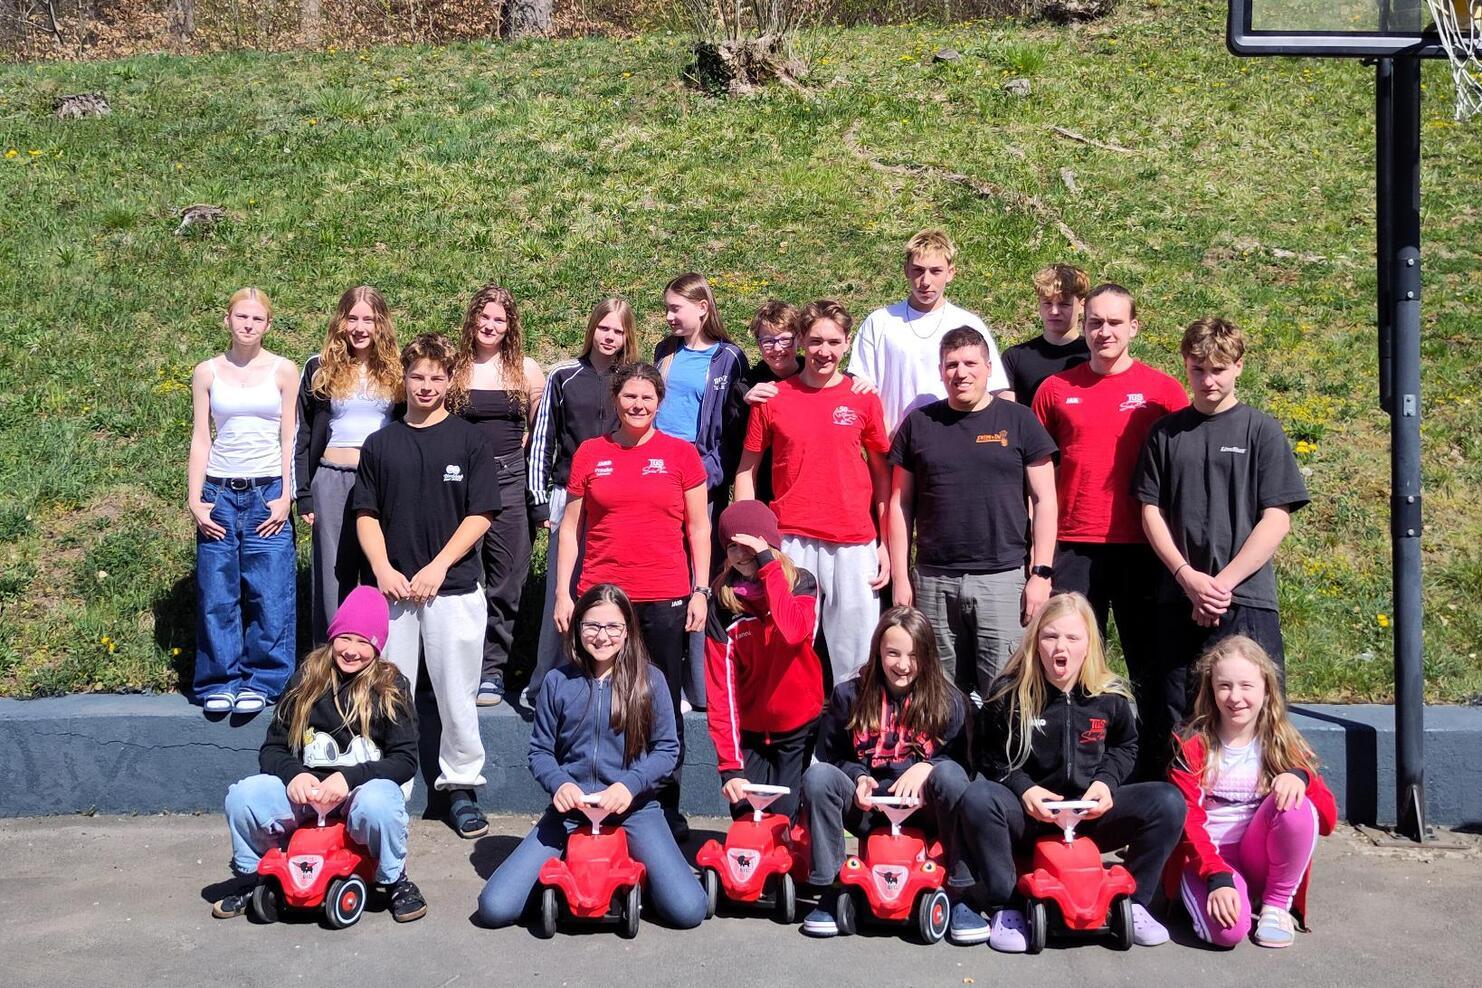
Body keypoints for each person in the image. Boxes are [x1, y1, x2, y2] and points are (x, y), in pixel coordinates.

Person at [956, 592, 1186, 952]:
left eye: (1072, 637)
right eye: (1050, 636)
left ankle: (1134, 901)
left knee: (1168, 801)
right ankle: (1005, 904)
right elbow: (987, 755)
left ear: (1088, 644)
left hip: (1088, 815)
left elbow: (1127, 746)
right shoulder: (1010, 692)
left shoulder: (1110, 695)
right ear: (1035, 641)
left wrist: (1105, 783)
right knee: (979, 798)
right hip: (1031, 815)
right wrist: (1023, 788)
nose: (1059, 646)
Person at [476, 584, 708, 932]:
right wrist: (560, 783)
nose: (602, 636)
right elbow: (540, 751)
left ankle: (632, 869)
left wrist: (629, 786)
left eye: (613, 626)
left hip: (633, 810)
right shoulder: (558, 682)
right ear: (577, 627)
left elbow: (666, 750)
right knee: (495, 908)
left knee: (689, 910)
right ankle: (570, 869)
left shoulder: (651, 681)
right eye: (592, 625)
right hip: (572, 812)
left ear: (627, 630)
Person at [1030, 283, 1188, 775]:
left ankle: (1153, 778)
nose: (1104, 332)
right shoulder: (1056, 390)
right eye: (1095, 321)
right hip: (1074, 547)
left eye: (1114, 322)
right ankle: (1071, 775)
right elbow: (1032, 478)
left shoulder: (1163, 392)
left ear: (1134, 327)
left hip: (1143, 549)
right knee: (1070, 667)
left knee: (1150, 669)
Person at [554, 363, 711, 838]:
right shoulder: (590, 453)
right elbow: (569, 529)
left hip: (665, 595)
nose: (638, 405)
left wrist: (700, 590)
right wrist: (564, 592)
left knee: (660, 702)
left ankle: (665, 803)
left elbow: (698, 527)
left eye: (647, 397)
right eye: (629, 397)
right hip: (602, 598)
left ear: (659, 401)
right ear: (615, 399)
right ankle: (588, 796)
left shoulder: (681, 455)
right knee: (594, 700)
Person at [352, 333, 500, 839]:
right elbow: (365, 514)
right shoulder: (381, 444)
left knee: (457, 695)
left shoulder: (468, 439)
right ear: (405, 377)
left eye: (438, 376)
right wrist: (382, 570)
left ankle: (459, 787)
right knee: (392, 695)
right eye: (418, 376)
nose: (427, 385)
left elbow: (480, 514)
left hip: (453, 589)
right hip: (393, 594)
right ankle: (391, 789)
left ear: (450, 380)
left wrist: (438, 565)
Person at [1135, 318, 1310, 746]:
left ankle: (1258, 806)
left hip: (1246, 600)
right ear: (1185, 365)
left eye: (1218, 369)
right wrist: (1187, 578)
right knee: (1178, 715)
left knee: (1254, 711)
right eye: (1198, 369)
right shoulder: (1166, 434)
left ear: (1238, 367)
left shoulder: (1261, 430)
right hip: (1178, 598)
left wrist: (1221, 585)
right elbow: (1149, 511)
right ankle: (1186, 809)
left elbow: (1277, 517)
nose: (1208, 380)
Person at [212, 586, 426, 923]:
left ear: (377, 647)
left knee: (381, 803)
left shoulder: (390, 686)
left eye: (364, 642)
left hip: (358, 791)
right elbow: (272, 748)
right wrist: (295, 774)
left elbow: (404, 760)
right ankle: (253, 875)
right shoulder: (306, 679)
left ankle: (394, 879)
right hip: (307, 793)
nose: (352, 651)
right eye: (346, 638)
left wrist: (349, 778)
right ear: (333, 636)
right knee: (243, 796)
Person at [888, 326, 1059, 697]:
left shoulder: (1019, 421)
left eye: (970, 363)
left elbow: (1045, 500)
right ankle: (945, 757)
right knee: (937, 691)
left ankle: (999, 758)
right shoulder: (919, 424)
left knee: (1005, 692)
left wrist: (1041, 574)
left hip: (1002, 578)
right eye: (951, 364)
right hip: (934, 579)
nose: (960, 373)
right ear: (940, 370)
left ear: (987, 368)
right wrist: (902, 577)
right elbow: (900, 503)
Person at [797, 607, 978, 943]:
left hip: (924, 811)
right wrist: (858, 777)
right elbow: (834, 755)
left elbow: (964, 767)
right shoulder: (849, 695)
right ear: (878, 651)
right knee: (819, 777)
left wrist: (929, 767)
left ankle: (960, 893)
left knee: (951, 776)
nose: (902, 665)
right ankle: (832, 888)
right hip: (871, 808)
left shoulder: (950, 701)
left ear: (927, 655)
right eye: (892, 653)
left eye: (913, 655)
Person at [735, 300, 891, 684]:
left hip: (854, 540)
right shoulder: (773, 397)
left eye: (834, 342)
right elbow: (746, 471)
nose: (825, 351)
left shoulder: (863, 396)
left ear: (847, 342)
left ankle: (850, 738)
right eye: (816, 341)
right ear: (801, 340)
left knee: (855, 657)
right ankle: (793, 741)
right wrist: (749, 541)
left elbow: (883, 475)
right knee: (788, 647)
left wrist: (885, 542)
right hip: (792, 539)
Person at [1165, 636, 1337, 949]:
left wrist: (1301, 778)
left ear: (1266, 690)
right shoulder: (1192, 747)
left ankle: (1275, 906)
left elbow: (1327, 820)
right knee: (1226, 934)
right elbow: (1188, 823)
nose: (1235, 697)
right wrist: (1216, 878)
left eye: (1246, 686)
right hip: (1209, 859)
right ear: (1211, 690)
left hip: (1257, 853)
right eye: (1224, 686)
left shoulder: (1281, 744)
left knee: (1296, 804)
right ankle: (1225, 897)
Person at [187, 287, 299, 715]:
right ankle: (220, 678)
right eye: (241, 317)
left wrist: (287, 494)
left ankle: (265, 678)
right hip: (219, 490)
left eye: (257, 319)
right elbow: (201, 437)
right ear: (228, 320)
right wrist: (196, 499)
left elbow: (290, 437)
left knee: (268, 590)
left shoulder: (285, 371)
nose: (248, 325)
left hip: (267, 489)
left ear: (268, 324)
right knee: (218, 591)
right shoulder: (207, 372)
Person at [525, 298, 637, 707]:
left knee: (612, 593)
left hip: (618, 502)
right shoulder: (564, 375)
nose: (610, 337)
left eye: (619, 331)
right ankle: (545, 685)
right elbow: (543, 441)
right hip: (566, 497)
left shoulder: (632, 381)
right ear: (592, 329)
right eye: (604, 328)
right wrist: (540, 501)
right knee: (564, 593)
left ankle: (611, 685)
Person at [654, 273, 750, 710]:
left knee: (699, 576)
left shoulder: (729, 358)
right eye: (668, 308)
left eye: (677, 308)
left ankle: (698, 682)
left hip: (699, 481)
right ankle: (660, 677)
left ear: (702, 308)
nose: (669, 316)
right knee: (661, 573)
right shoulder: (664, 352)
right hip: (657, 476)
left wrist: (713, 475)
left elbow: (732, 428)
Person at [449, 284, 546, 708]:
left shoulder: (525, 370)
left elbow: (539, 435)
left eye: (499, 320)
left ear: (510, 327)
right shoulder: (452, 367)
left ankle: (492, 670)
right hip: (458, 481)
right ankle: (456, 667)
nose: (490, 325)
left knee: (507, 578)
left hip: (509, 478)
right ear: (472, 319)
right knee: (460, 574)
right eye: (484, 317)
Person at [703, 500, 824, 821]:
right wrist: (730, 768)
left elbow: (793, 633)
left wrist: (769, 565)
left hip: (798, 728)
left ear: (767, 544)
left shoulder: (802, 583)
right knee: (746, 818)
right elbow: (720, 692)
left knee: (783, 821)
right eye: (731, 547)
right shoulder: (723, 604)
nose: (740, 555)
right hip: (752, 734)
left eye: (748, 546)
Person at [295, 285, 401, 646]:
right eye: (352, 318)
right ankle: (328, 657)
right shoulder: (319, 367)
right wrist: (304, 492)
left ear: (380, 324)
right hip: (332, 478)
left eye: (368, 319)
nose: (360, 327)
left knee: (378, 568)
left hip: (381, 481)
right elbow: (305, 433)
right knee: (333, 573)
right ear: (341, 321)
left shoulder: (397, 369)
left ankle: (375, 656)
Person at [847, 228, 1009, 435]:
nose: (925, 281)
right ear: (906, 270)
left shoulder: (968, 323)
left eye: (935, 271)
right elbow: (860, 387)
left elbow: (997, 389)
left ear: (951, 273)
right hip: (895, 444)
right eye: (918, 270)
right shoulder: (880, 321)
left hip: (958, 440)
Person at [998, 263, 1091, 406]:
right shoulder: (1015, 357)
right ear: (1039, 305)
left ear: (1082, 305)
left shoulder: (1094, 355)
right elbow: (1006, 415)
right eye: (1047, 303)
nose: (1054, 311)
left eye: (1064, 304)